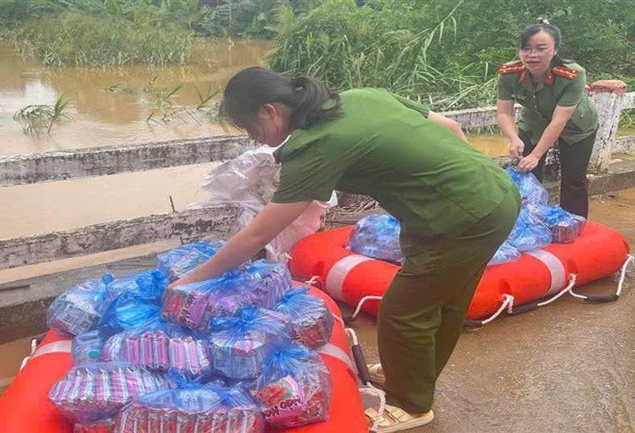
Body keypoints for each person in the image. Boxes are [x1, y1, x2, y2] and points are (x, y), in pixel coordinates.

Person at [168, 66, 519, 432]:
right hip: (493, 192)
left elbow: (258, 235)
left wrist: (190, 280)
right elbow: (451, 127)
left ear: (269, 110)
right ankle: (414, 374)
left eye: (252, 128)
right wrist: (459, 182)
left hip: (462, 218)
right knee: (444, 299)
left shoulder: (314, 144)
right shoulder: (359, 97)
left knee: (403, 311)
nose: (256, 139)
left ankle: (411, 404)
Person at [496, 20, 599, 218]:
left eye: (541, 49)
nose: (532, 55)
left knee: (573, 180)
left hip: (577, 127)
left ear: (554, 51)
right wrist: (513, 138)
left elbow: (559, 121)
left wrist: (536, 155)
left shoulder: (572, 74)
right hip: (533, 124)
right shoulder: (509, 74)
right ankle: (529, 221)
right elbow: (503, 113)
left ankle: (573, 224)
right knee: (527, 174)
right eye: (526, 49)